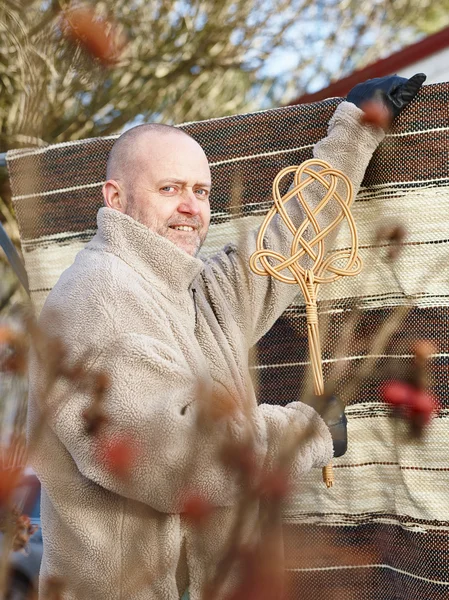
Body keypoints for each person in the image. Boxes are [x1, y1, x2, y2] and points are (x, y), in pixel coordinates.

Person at [27, 74, 425, 600]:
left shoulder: (191, 289)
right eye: (169, 189)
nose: (191, 207)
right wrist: (305, 432)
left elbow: (288, 244)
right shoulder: (95, 299)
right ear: (115, 197)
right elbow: (175, 461)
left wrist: (355, 128)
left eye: (201, 191)